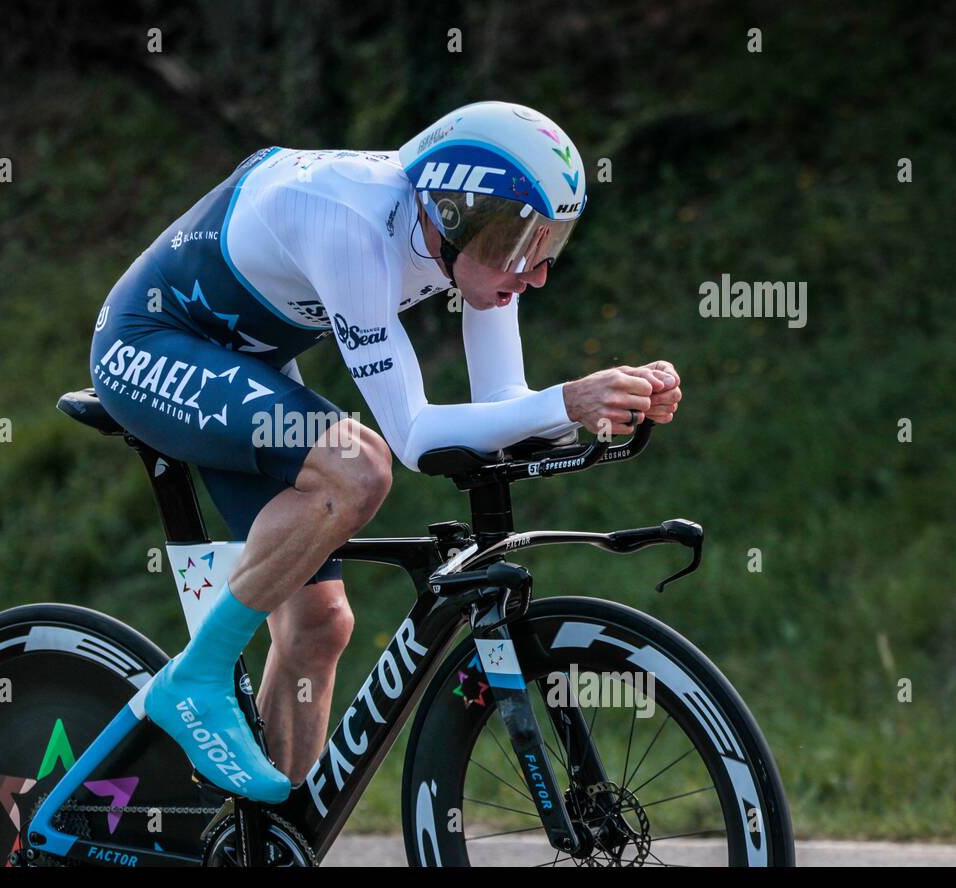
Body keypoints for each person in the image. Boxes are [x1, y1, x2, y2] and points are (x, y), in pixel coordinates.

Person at [89, 101, 682, 803]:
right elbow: (413, 440)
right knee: (357, 467)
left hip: (244, 358)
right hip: (149, 343)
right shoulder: (352, 223)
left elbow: (503, 409)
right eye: (524, 242)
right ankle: (197, 676)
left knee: (320, 623)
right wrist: (570, 400)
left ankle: (272, 842)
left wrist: (608, 406)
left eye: (549, 243)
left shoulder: (474, 249)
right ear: (455, 210)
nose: (538, 271)